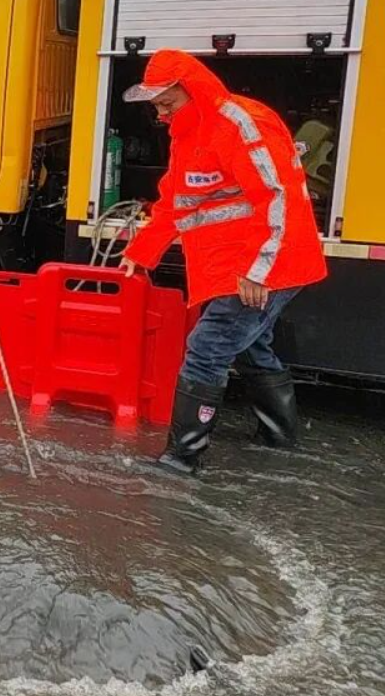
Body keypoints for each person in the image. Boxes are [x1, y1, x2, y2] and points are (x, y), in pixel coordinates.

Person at [119, 49, 327, 473]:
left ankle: (182, 459)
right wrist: (140, 253)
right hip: (241, 266)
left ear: (192, 89)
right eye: (156, 106)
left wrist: (257, 270)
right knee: (250, 347)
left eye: (167, 103)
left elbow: (278, 198)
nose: (160, 115)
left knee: (207, 348)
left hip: (266, 265)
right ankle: (279, 439)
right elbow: (177, 201)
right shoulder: (187, 132)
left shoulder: (241, 123)